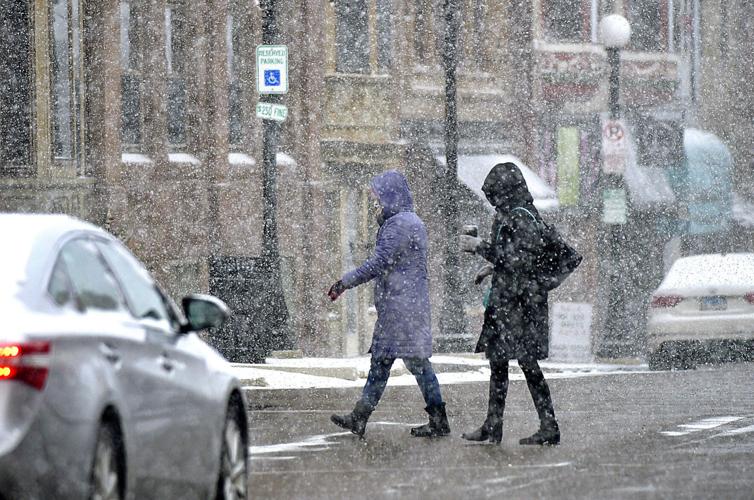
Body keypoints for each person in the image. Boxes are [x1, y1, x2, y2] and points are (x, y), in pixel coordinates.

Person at [328, 170, 450, 439]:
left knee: (411, 364)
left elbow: (378, 263)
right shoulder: (406, 221)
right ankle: (361, 417)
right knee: (391, 364)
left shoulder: (400, 225)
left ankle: (436, 420)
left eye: (378, 197)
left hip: (401, 309)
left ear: (391, 195)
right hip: (402, 307)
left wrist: (345, 282)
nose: (376, 203)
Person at [458, 162, 560, 446]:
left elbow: (519, 261)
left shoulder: (522, 217)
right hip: (511, 302)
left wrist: (481, 248)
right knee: (499, 362)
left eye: (496, 194)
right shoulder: (512, 215)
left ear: (506, 191)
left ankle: (548, 425)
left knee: (527, 364)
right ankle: (494, 424)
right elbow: (512, 258)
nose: (493, 201)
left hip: (522, 305)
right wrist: (491, 268)